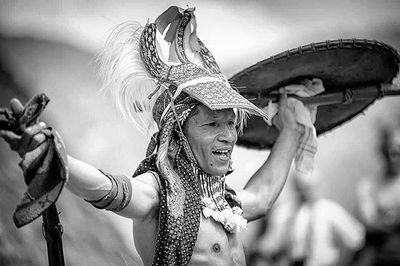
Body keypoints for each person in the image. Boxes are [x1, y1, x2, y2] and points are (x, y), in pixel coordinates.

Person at [1, 6, 308, 266]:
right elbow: (106, 188)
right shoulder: (157, 192)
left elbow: (262, 197)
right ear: (180, 132)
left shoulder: (221, 200)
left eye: (231, 123)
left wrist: (293, 129)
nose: (229, 135)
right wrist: (54, 155)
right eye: (213, 124)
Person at [250, 169, 365, 266]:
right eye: (301, 188)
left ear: (318, 185)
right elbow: (271, 243)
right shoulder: (284, 212)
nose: (305, 193)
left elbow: (356, 239)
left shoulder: (330, 210)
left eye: (309, 188)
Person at [354, 122, 400, 266]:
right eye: (389, 152)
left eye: (398, 152)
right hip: (378, 253)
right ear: (382, 152)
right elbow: (370, 222)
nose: (393, 157)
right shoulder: (369, 185)